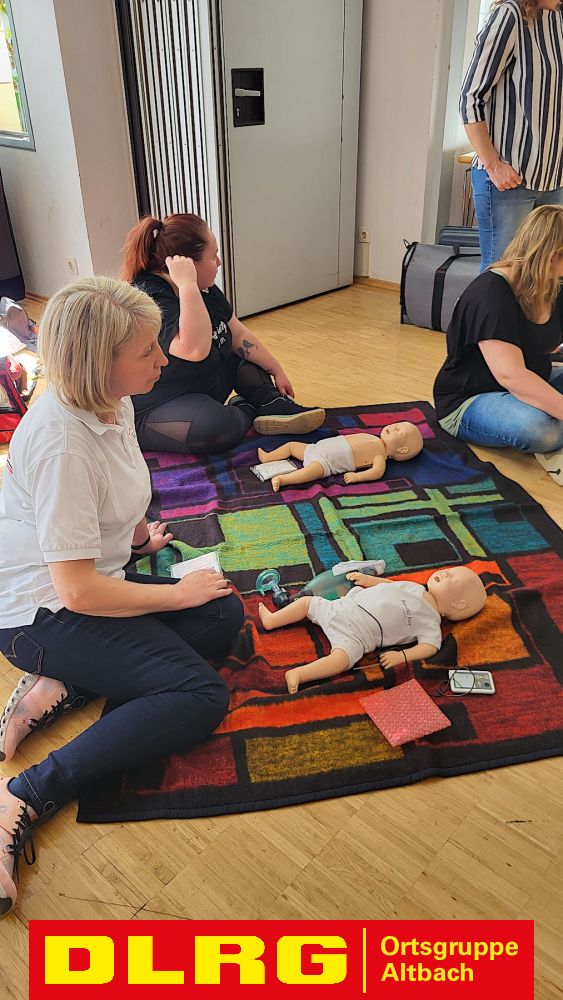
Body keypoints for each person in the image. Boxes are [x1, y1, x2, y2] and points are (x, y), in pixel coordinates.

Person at [0, 277, 244, 918]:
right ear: (98, 363)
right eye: (147, 352)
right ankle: (24, 794)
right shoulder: (61, 444)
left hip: (86, 579)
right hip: (41, 611)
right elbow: (77, 590)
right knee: (199, 694)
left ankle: (64, 684)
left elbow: (124, 487)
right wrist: (175, 594)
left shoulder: (114, 400)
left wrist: (139, 541)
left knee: (222, 611)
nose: (162, 359)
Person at [120, 213, 325, 454]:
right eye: (213, 255)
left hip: (200, 384)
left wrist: (276, 369)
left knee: (244, 356)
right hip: (158, 405)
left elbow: (238, 334)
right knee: (212, 428)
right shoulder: (151, 298)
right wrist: (187, 285)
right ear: (187, 265)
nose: (218, 262)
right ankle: (248, 409)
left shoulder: (204, 288)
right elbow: (193, 350)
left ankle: (271, 402)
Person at [433, 205, 563, 480]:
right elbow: (512, 377)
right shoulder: (490, 292)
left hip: (534, 378)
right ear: (552, 256)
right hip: (470, 399)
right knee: (543, 430)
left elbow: (550, 345)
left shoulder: (554, 283)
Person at [259, 567, 487, 694]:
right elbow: (388, 584)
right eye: (450, 570)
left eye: (453, 579)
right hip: (341, 607)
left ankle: (299, 674)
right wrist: (368, 579)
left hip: (357, 636)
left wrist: (402, 656)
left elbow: (430, 647)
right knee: (307, 603)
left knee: (341, 661)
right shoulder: (415, 588)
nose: (447, 573)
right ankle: (272, 620)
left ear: (459, 604)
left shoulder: (431, 623)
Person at [461, 0, 563, 270]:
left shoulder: (558, 19)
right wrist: (494, 165)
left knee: (547, 277)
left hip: (555, 180)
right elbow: (471, 98)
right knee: (504, 274)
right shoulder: (510, 16)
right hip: (509, 182)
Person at [256, 423, 424, 492]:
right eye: (396, 425)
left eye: (398, 431)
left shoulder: (380, 456)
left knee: (307, 473)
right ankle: (269, 457)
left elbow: (377, 472)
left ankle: (283, 479)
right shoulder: (374, 439)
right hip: (315, 448)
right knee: (291, 445)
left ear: (402, 450)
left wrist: (357, 477)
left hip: (326, 463)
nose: (393, 427)